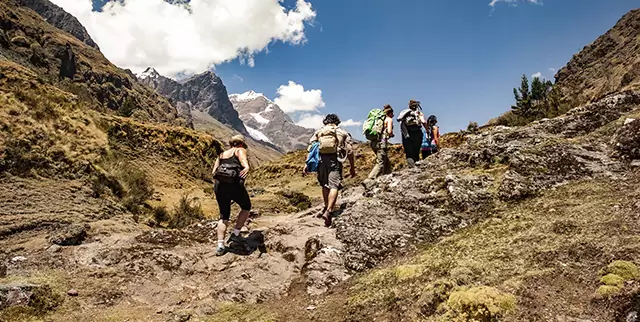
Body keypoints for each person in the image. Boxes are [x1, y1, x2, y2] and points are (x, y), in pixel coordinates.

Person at [304, 114, 354, 227]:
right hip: (334, 160)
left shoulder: (319, 132)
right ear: (337, 122)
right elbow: (350, 151)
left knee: (324, 185)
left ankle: (326, 207)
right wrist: (352, 167)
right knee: (334, 185)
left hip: (321, 161)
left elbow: (311, 148)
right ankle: (329, 211)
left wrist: (306, 163)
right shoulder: (341, 132)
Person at [211, 135, 251, 256]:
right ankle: (236, 233)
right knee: (246, 206)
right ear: (241, 144)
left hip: (220, 187)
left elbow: (214, 172)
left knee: (224, 216)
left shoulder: (221, 155)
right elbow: (243, 161)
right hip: (235, 186)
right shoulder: (240, 150)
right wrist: (246, 166)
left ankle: (220, 246)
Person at [397, 100, 429, 167]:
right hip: (417, 133)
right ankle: (416, 166)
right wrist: (427, 130)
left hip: (406, 134)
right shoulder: (418, 113)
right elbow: (423, 121)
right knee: (416, 151)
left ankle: (411, 167)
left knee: (409, 152)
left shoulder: (405, 113)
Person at [367, 105, 394, 180]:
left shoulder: (378, 120)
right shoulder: (389, 119)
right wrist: (391, 134)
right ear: (390, 113)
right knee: (380, 162)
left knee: (386, 161)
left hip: (373, 142)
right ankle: (370, 179)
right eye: (392, 113)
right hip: (382, 141)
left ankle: (388, 176)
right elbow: (389, 131)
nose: (393, 115)